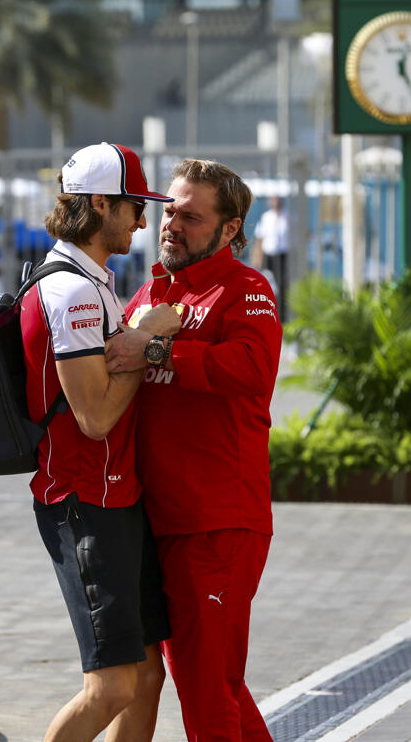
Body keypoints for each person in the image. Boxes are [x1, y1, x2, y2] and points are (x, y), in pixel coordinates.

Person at [106, 158, 283, 741]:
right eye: (168, 211)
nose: (171, 225)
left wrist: (154, 352)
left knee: (207, 694)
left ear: (230, 229)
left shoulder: (248, 289)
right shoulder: (152, 291)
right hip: (157, 523)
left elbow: (253, 369)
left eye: (190, 216)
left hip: (217, 524)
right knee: (214, 686)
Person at [20, 142, 182, 742]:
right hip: (85, 501)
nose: (144, 221)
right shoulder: (72, 292)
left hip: (117, 497)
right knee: (112, 686)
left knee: (145, 675)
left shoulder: (93, 282)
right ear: (98, 204)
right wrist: (144, 337)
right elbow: (94, 417)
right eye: (134, 205)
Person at [252, 195, 289, 321]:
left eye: (277, 199)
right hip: (269, 256)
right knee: (267, 285)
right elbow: (259, 239)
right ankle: (267, 313)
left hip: (284, 256)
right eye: (273, 199)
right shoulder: (266, 217)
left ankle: (282, 316)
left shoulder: (289, 216)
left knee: (283, 286)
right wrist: (257, 258)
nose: (275, 202)